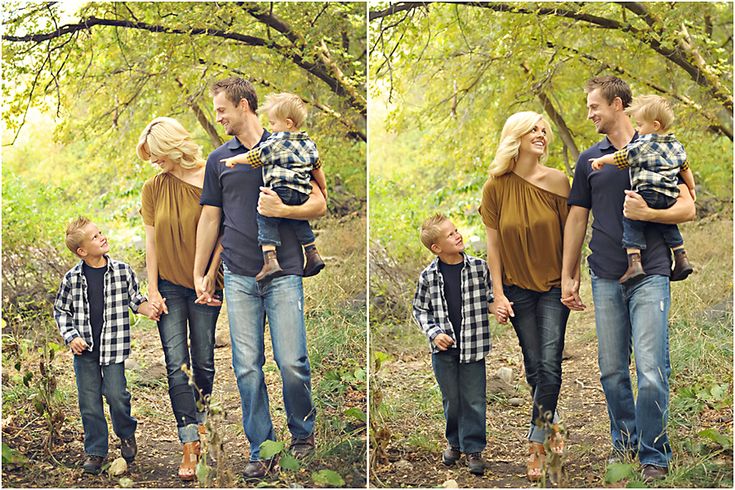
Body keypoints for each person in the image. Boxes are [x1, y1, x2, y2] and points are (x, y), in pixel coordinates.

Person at [561, 76, 695, 482]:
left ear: (617, 105)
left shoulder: (657, 145)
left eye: (594, 106)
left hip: (652, 271)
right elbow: (577, 218)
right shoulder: (589, 160)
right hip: (604, 274)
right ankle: (625, 443)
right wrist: (568, 276)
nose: (589, 114)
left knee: (652, 368)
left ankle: (654, 453)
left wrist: (649, 215)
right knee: (612, 370)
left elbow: (689, 206)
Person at [193, 77, 326, 480]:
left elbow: (320, 202)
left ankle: (302, 436)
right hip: (237, 273)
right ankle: (262, 448)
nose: (218, 117)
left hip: (284, 269)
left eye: (222, 110)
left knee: (292, 362)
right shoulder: (219, 159)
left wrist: (284, 211)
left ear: (244, 106)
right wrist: (201, 272)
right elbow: (210, 217)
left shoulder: (287, 142)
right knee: (246, 366)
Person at [478, 111, 571, 482]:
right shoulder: (495, 186)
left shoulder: (560, 182)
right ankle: (554, 424)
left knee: (549, 367)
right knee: (535, 368)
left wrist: (570, 280)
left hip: (551, 287)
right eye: (534, 128)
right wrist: (497, 294)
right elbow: (493, 247)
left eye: (544, 129)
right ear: (516, 135)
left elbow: (572, 238)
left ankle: (535, 443)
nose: (542, 134)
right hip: (516, 289)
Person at [136, 117, 224, 481]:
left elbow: (224, 231)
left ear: (173, 148)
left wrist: (208, 275)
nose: (155, 163)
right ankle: (189, 441)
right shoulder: (153, 188)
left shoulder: (212, 175)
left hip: (205, 283)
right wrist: (152, 289)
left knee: (203, 360)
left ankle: (203, 427)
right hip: (169, 284)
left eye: (158, 155)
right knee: (176, 364)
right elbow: (151, 241)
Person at [53, 217, 159, 474]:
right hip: (85, 351)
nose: (101, 237)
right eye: (94, 237)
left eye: (100, 232)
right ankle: (96, 450)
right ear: (82, 251)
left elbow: (136, 300)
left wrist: (151, 310)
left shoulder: (122, 271)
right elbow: (61, 311)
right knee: (89, 401)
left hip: (113, 348)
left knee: (116, 395)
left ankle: (126, 433)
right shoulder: (72, 279)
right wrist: (71, 336)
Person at [412, 214, 493, 476]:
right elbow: (420, 310)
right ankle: (454, 443)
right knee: (452, 400)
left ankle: (474, 448)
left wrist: (499, 308)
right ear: (436, 247)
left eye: (456, 230)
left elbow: (491, 297)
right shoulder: (428, 276)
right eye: (450, 234)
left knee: (474, 399)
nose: (457, 235)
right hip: (444, 351)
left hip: (473, 346)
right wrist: (435, 333)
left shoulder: (479, 268)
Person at [221, 92, 327, 282]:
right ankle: (312, 253)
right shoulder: (309, 143)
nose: (270, 127)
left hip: (280, 189)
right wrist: (323, 188)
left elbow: (255, 156)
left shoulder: (275, 142)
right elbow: (317, 167)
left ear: (288, 123)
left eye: (273, 123)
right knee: (298, 218)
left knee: (265, 216)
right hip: (301, 191)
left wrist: (234, 159)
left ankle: (270, 259)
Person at [589, 94, 695, 284]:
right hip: (669, 194)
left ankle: (634, 262)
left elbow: (621, 158)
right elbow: (685, 168)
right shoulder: (677, 145)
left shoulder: (642, 144)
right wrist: (692, 189)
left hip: (646, 193)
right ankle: (681, 256)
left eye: (640, 125)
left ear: (655, 125)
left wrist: (601, 160)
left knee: (631, 219)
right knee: (668, 223)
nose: (638, 129)